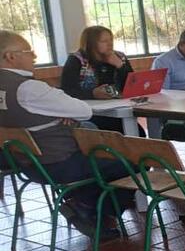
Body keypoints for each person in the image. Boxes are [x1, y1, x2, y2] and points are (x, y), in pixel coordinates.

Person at [0, 31, 129, 239]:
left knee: (100, 153)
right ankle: (92, 210)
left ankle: (81, 199)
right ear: (10, 57)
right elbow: (83, 110)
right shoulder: (29, 88)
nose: (34, 57)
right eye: (28, 51)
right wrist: (61, 111)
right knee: (128, 162)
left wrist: (59, 111)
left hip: (24, 163)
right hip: (57, 163)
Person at [60, 25, 135, 134]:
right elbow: (67, 91)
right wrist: (92, 93)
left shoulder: (119, 57)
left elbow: (132, 84)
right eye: (104, 41)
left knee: (137, 132)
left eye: (111, 40)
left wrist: (120, 67)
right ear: (91, 44)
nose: (110, 44)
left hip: (119, 108)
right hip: (89, 113)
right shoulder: (76, 60)